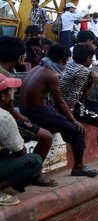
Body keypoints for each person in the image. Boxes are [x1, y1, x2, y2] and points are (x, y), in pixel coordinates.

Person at [20, 44, 98, 177]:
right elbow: (60, 102)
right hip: (38, 113)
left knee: (63, 124)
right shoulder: (51, 75)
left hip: (30, 109)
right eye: (67, 61)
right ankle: (78, 167)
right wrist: (74, 121)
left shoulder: (38, 68)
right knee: (77, 131)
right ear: (62, 61)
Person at [0, 36, 56, 187]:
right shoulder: (6, 76)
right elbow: (9, 110)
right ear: (19, 57)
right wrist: (23, 118)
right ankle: (35, 173)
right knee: (46, 137)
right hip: (5, 117)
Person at [0, 74, 44, 205]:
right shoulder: (4, 118)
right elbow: (20, 151)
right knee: (34, 161)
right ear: (2, 96)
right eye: (9, 91)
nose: (11, 94)